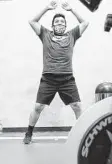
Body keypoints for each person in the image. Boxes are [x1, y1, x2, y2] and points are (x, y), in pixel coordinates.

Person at [23, 1, 89, 144]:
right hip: (48, 79)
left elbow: (85, 22)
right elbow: (32, 21)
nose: (60, 23)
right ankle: (29, 133)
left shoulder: (72, 35)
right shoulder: (45, 34)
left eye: (62, 22)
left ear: (65, 25)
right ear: (53, 25)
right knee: (38, 107)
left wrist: (72, 10)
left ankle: (82, 133)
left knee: (77, 106)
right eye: (57, 22)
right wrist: (46, 8)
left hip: (67, 79)